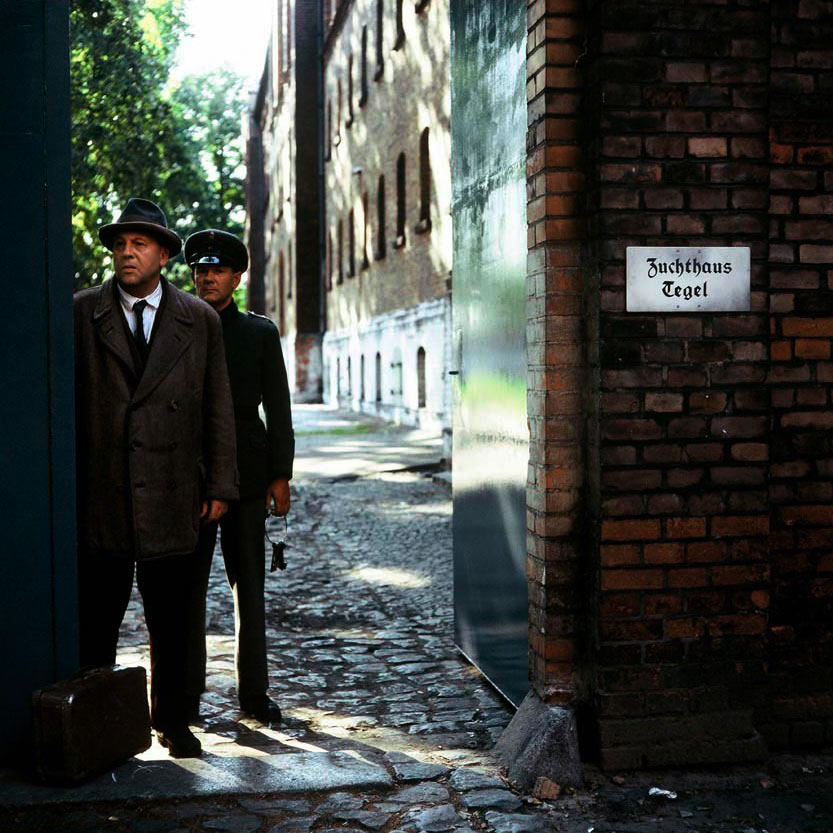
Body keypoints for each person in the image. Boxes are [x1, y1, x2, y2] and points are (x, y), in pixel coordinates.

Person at [74, 198, 238, 758]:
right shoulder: (80, 313)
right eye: (120, 243)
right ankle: (92, 723)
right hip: (104, 495)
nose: (126, 252)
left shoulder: (200, 319)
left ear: (163, 254)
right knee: (96, 620)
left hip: (175, 494)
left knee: (172, 619)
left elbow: (219, 406)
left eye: (139, 243)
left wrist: (220, 485)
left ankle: (172, 719)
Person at [184, 228, 294, 724]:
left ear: (236, 277)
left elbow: (279, 407)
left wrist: (281, 475)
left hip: (250, 478)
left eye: (217, 270)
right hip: (192, 478)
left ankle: (253, 693)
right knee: (186, 593)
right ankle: (184, 697)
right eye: (201, 270)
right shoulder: (179, 327)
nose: (207, 277)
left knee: (248, 589)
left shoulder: (259, 332)